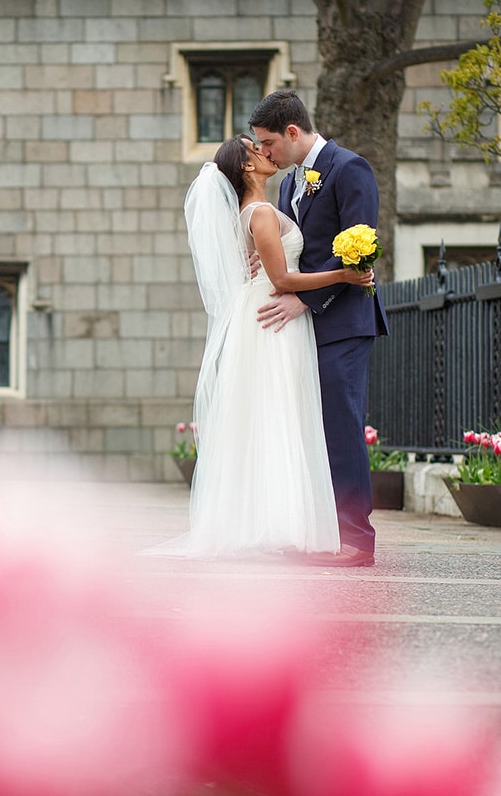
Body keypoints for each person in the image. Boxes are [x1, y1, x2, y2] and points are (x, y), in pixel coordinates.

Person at [145, 135, 373, 559]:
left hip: (268, 311)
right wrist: (342, 276)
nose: (266, 154)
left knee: (274, 419)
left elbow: (274, 267)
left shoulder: (260, 211)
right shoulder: (264, 212)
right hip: (275, 316)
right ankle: (286, 526)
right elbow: (283, 280)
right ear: (247, 167)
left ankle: (283, 524)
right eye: (257, 149)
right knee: (282, 417)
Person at [249, 90, 390, 567]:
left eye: (268, 143)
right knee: (310, 430)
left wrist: (302, 298)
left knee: (341, 428)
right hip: (305, 328)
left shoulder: (350, 168)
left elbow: (360, 247)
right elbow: (300, 251)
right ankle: (320, 533)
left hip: (345, 323)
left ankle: (356, 540)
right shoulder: (289, 185)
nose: (263, 153)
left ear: (292, 132)